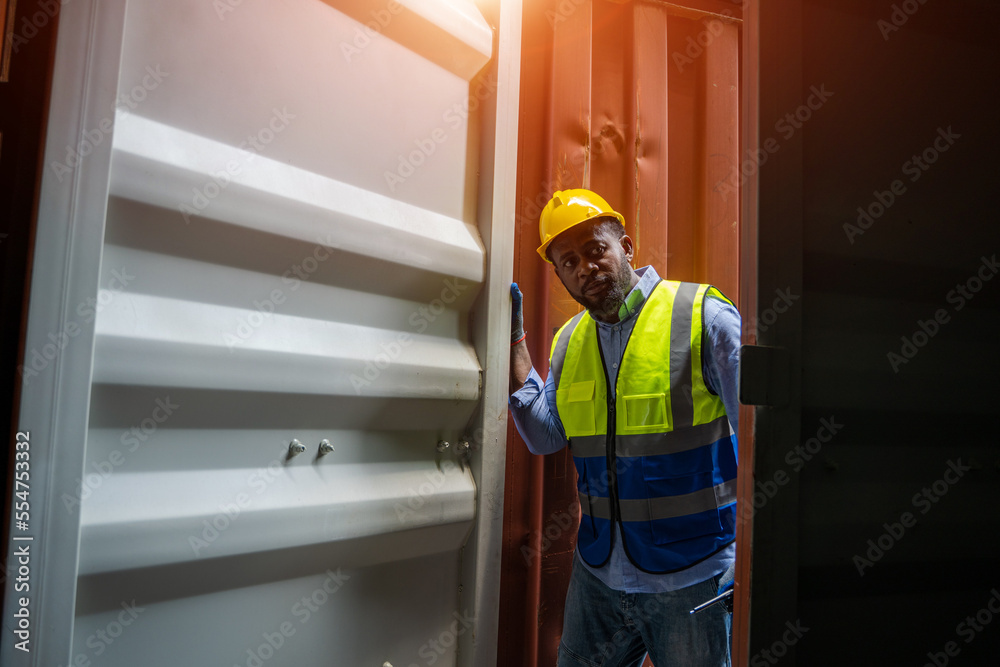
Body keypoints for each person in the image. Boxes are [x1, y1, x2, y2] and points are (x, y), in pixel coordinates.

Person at [508, 189, 741, 666]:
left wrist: (751, 561)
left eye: (596, 250)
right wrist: (513, 344)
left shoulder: (702, 316)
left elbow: (767, 444)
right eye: (568, 261)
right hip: (598, 575)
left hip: (692, 577)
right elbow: (544, 435)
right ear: (559, 275)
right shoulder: (569, 341)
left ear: (626, 246)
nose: (585, 268)